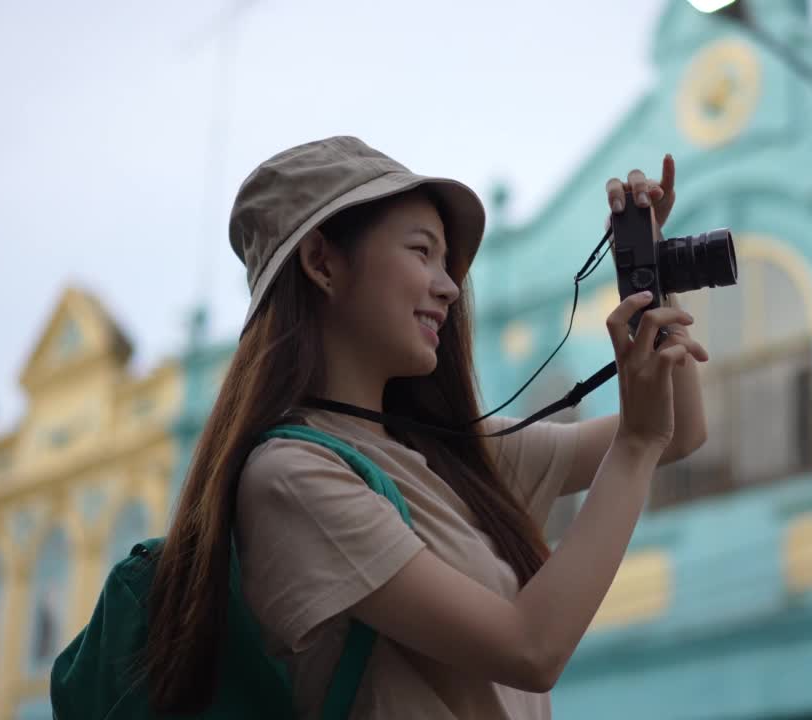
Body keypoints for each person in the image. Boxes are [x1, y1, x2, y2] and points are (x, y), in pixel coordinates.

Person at [144, 136, 710, 719]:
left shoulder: (451, 455)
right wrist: (636, 442)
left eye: (447, 263)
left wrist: (651, 277)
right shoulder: (291, 477)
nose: (448, 285)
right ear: (321, 263)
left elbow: (682, 433)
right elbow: (531, 647)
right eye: (422, 252)